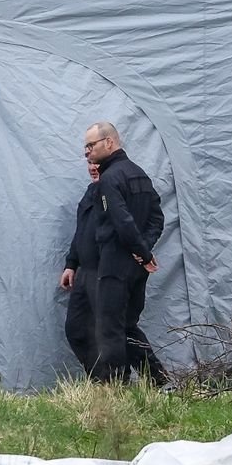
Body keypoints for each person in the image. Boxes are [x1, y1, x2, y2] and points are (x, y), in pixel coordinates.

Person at [81, 121, 171, 384]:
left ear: (109, 142)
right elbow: (157, 218)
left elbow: (122, 221)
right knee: (128, 324)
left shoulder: (110, 178)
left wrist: (141, 251)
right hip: (136, 267)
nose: (87, 152)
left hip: (115, 265)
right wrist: (144, 251)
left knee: (109, 327)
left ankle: (116, 387)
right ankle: (159, 380)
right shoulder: (139, 174)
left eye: (91, 145)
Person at [60, 159, 103, 377]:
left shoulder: (116, 191)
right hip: (85, 271)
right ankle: (100, 379)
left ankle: (155, 378)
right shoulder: (91, 191)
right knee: (76, 329)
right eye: (89, 162)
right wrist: (71, 264)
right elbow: (81, 232)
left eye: (97, 162)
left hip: (105, 272)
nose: (93, 167)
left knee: (114, 330)